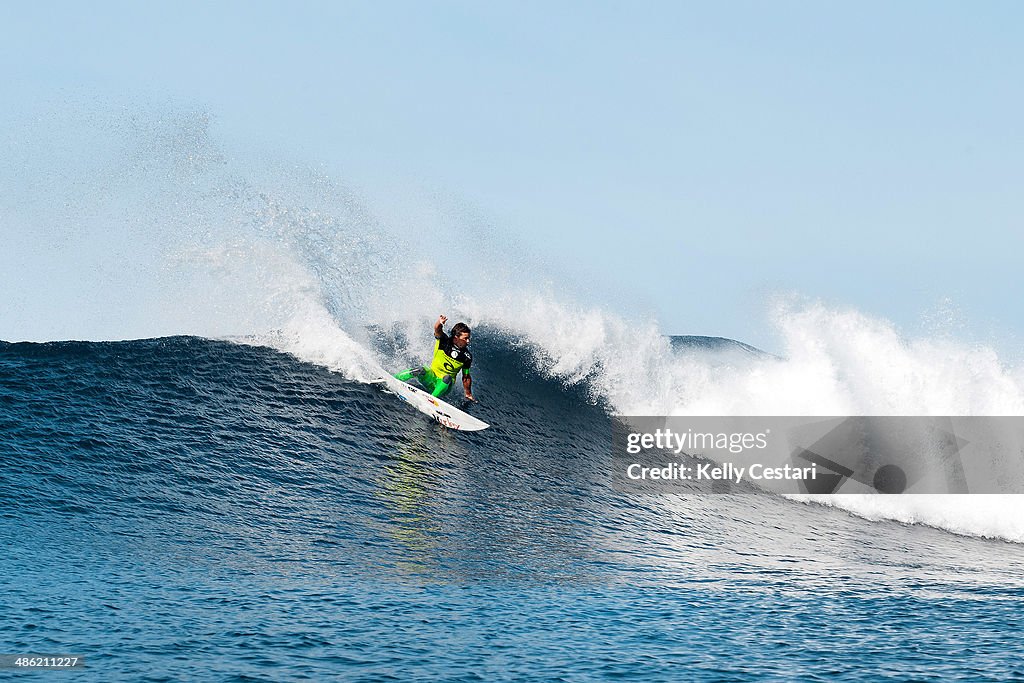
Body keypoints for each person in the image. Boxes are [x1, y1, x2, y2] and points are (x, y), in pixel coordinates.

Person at [395, 315, 476, 402]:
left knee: (447, 377)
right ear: (456, 338)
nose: (468, 341)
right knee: (420, 369)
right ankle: (394, 379)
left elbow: (466, 377)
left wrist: (468, 394)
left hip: (444, 386)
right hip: (431, 378)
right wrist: (440, 323)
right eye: (465, 338)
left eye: (468, 338)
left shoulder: (467, 356)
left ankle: (431, 399)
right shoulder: (444, 341)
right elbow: (437, 329)